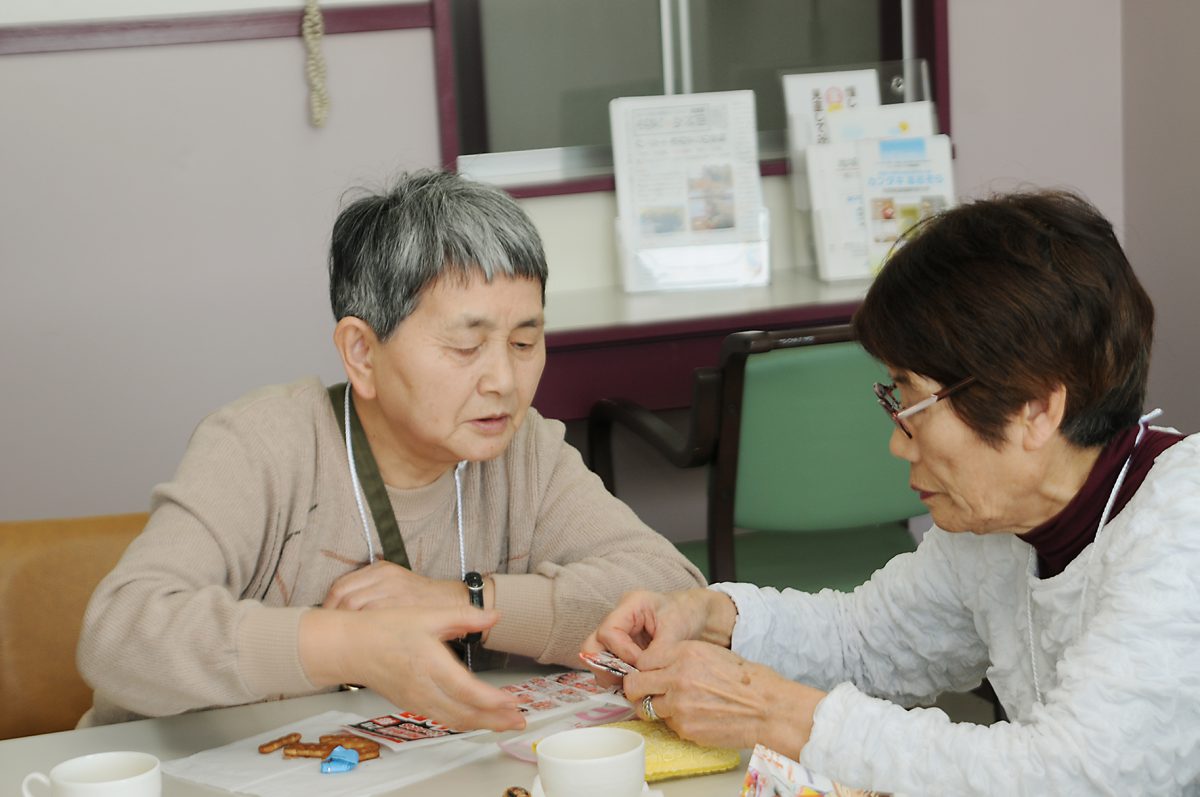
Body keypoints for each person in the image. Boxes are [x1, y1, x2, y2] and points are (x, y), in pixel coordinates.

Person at [584, 190, 1200, 795]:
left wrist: (769, 710)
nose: (898, 443)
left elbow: (1075, 777)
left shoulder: (1181, 521)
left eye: (912, 402)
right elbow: (866, 643)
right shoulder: (1002, 526)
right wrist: (711, 617)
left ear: (1034, 409)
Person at [78, 169, 704, 731]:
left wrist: (468, 601)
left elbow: (668, 596)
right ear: (361, 353)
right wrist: (350, 644)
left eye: (523, 342)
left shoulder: (522, 450)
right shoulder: (263, 445)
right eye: (465, 348)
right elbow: (121, 634)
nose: (505, 383)